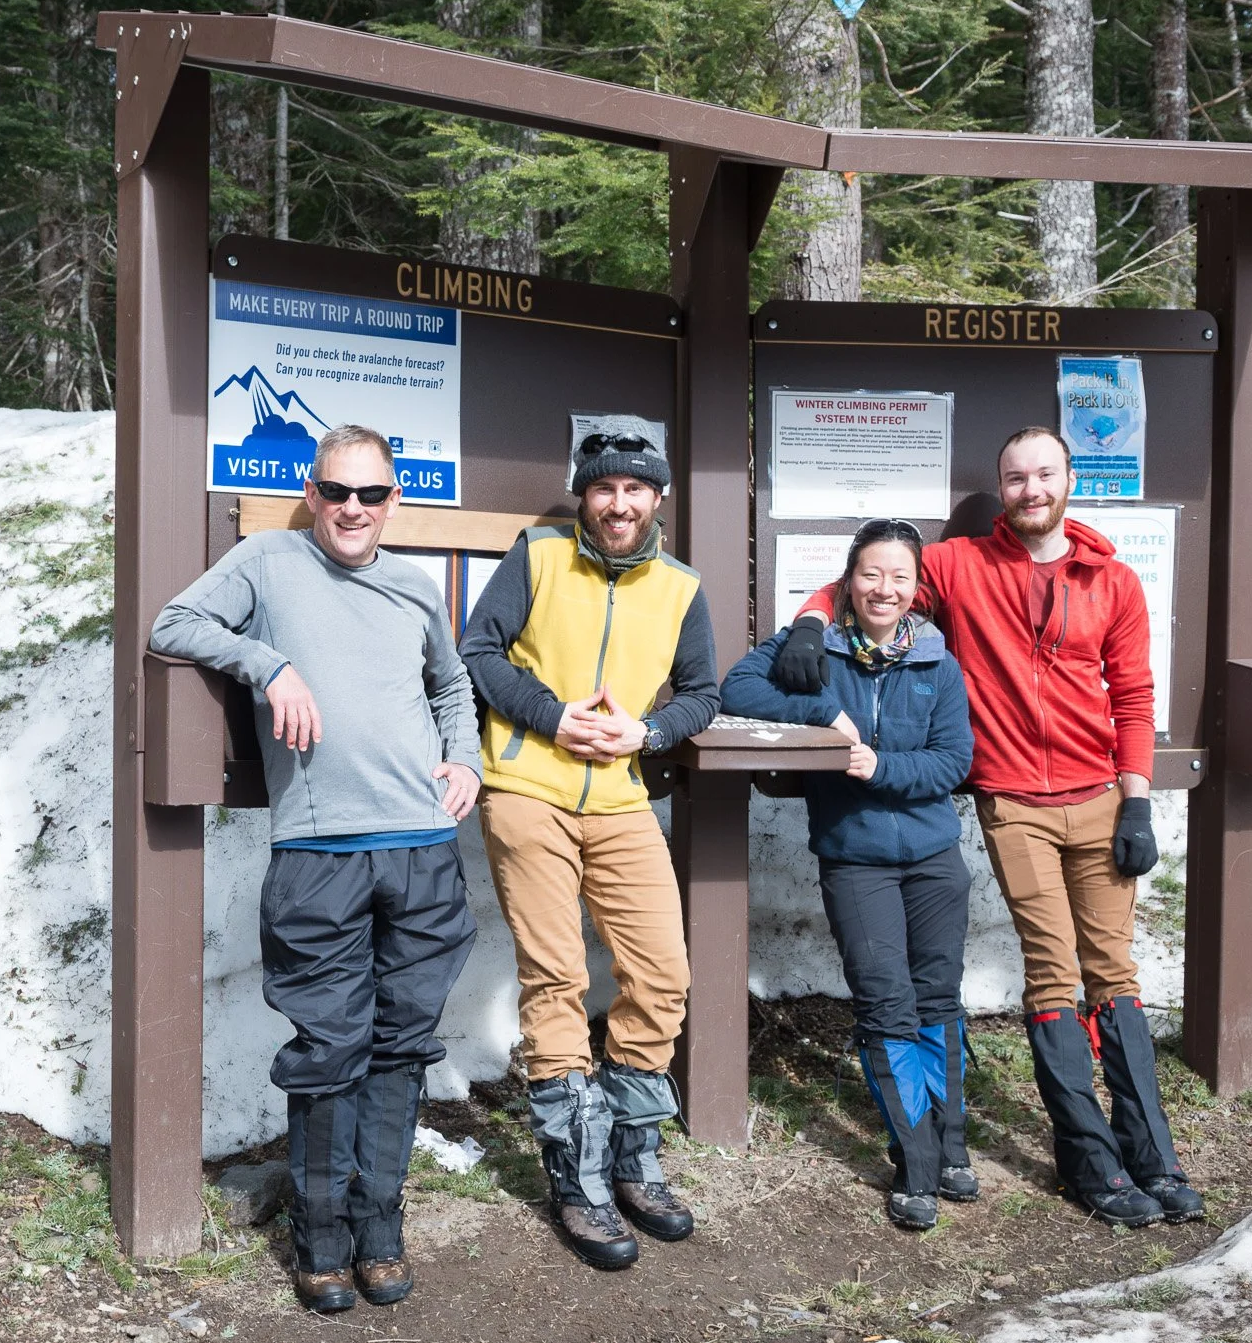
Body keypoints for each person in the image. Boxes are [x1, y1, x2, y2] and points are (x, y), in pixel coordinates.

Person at [774, 426, 1203, 1229]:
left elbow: (1136, 698)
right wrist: (804, 623)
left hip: (1101, 794)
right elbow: (865, 583)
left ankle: (1153, 1154)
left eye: (1044, 474)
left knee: (1115, 973)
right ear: (1000, 487)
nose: (1031, 488)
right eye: (1015, 476)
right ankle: (1089, 1159)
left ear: (1070, 480)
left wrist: (1138, 799)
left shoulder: (1111, 579)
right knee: (1052, 971)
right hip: (1014, 802)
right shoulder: (963, 565)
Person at [149, 425, 481, 1312]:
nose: (353, 509)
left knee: (401, 1045)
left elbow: (452, 688)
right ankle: (321, 1239)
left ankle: (382, 1229)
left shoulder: (415, 589)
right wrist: (270, 664)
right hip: (319, 852)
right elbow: (171, 622)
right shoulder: (267, 561)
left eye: (371, 495)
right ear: (311, 489)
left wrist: (467, 760)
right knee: (330, 1050)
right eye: (337, 491)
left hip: (423, 847)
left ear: (394, 500)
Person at [459, 432, 720, 1270]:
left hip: (620, 797)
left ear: (658, 499)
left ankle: (634, 1159)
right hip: (528, 789)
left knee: (664, 973)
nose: (618, 503)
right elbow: (479, 650)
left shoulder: (682, 587)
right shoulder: (537, 555)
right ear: (583, 495)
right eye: (603, 487)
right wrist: (552, 715)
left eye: (635, 490)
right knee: (558, 977)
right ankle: (577, 1177)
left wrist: (647, 730)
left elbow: (704, 692)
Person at [720, 519, 975, 1230]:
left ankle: (951, 1148)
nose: (883, 589)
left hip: (933, 860)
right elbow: (736, 686)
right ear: (848, 579)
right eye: (871, 574)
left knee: (937, 1000)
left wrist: (879, 766)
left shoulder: (937, 661)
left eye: (898, 577)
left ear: (916, 586)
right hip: (856, 858)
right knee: (886, 1004)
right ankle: (915, 1161)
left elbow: (954, 761)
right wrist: (821, 711)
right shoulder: (819, 645)